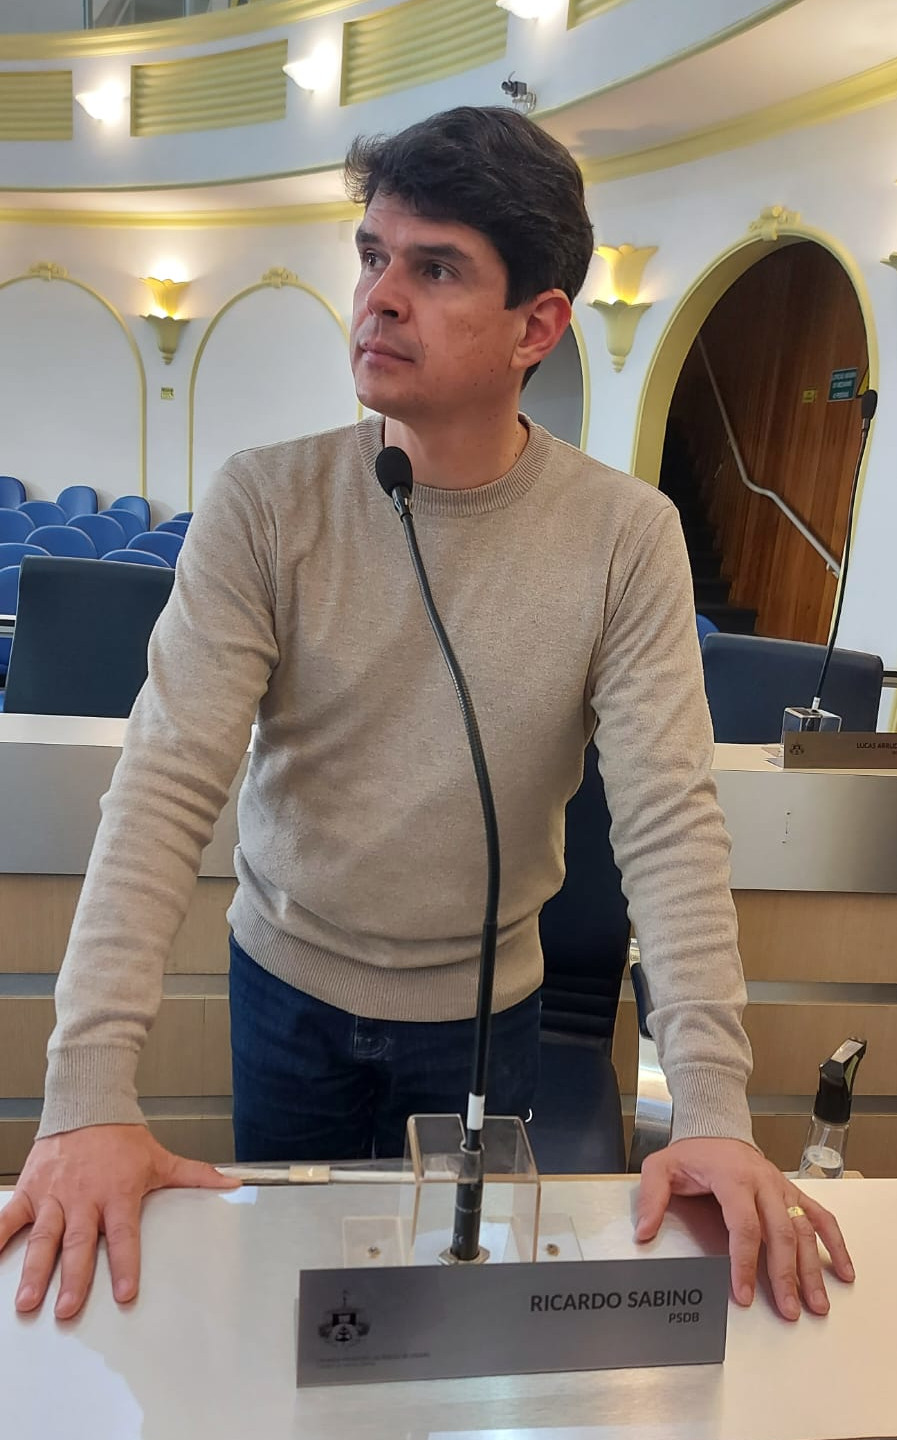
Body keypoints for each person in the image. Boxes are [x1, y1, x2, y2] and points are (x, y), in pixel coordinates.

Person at [0, 106, 852, 1324]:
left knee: (446, 1325)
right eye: (372, 255)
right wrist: (86, 1093)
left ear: (537, 327)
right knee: (295, 1315)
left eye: (436, 268)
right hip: (284, 991)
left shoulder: (626, 537)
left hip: (484, 1021)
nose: (379, 297)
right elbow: (163, 787)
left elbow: (668, 824)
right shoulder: (265, 502)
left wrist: (712, 1109)